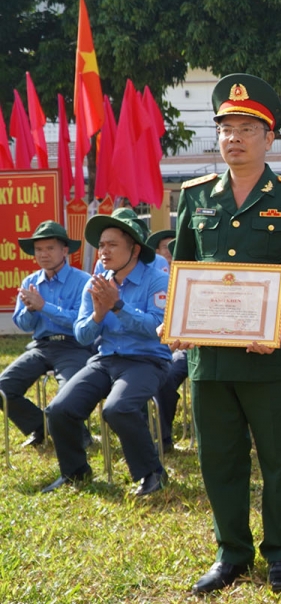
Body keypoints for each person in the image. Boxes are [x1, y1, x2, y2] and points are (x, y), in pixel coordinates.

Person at [172, 74, 281, 595]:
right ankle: (231, 553)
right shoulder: (195, 198)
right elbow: (185, 270)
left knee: (278, 458)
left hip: (269, 353)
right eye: (226, 128)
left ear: (269, 136)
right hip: (211, 358)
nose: (234, 137)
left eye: (246, 128)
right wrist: (176, 322)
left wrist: (279, 318)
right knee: (219, 458)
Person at [42, 208, 170, 496]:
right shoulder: (96, 282)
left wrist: (119, 307)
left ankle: (151, 474)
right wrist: (99, 315)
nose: (103, 251)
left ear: (134, 249)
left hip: (147, 361)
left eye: (112, 244)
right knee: (59, 409)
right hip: (106, 359)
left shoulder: (157, 279)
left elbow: (157, 328)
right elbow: (81, 333)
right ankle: (75, 472)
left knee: (118, 408)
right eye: (101, 245)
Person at [1, 221, 94, 448]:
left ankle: (79, 437)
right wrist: (31, 310)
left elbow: (79, 321)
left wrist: (44, 306)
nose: (43, 254)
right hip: (41, 346)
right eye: (39, 249)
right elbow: (23, 324)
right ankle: (40, 427)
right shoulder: (30, 281)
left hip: (74, 346)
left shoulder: (83, 281)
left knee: (68, 394)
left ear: (65, 251)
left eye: (50, 248)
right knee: (4, 388)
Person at [146, 228, 188, 452]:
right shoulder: (155, 281)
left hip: (203, 346)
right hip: (169, 347)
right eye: (168, 249)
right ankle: (163, 439)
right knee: (166, 377)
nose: (172, 255)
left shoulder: (200, 277)